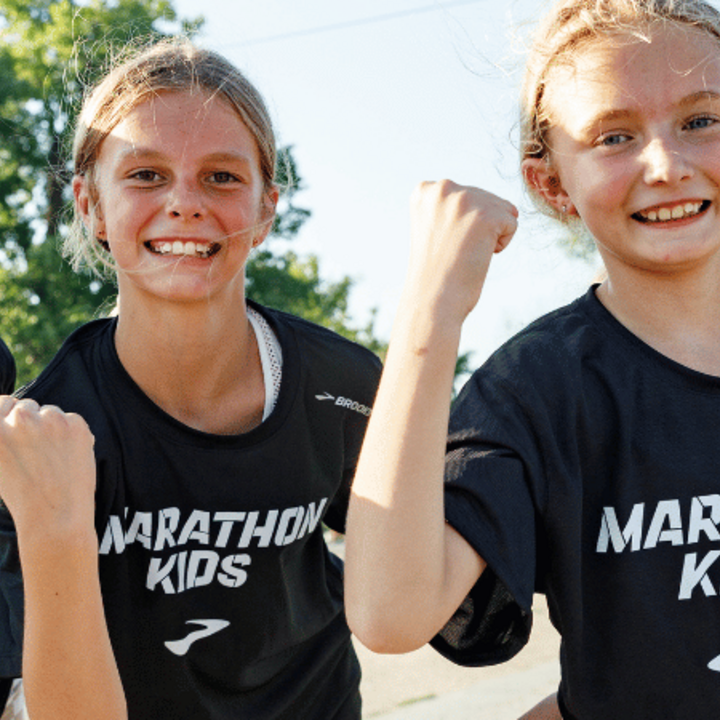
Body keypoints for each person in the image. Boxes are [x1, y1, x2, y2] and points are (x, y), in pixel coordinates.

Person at [344, 0, 720, 718]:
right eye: (614, 136)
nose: (666, 165)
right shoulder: (537, 389)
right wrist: (430, 307)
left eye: (701, 121)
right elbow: (390, 614)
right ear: (552, 185)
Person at [0, 39, 381, 720]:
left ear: (267, 208)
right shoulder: (46, 435)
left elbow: (419, 600)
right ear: (89, 205)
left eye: (222, 177)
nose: (184, 202)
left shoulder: (346, 386)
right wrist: (55, 529)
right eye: (145, 174)